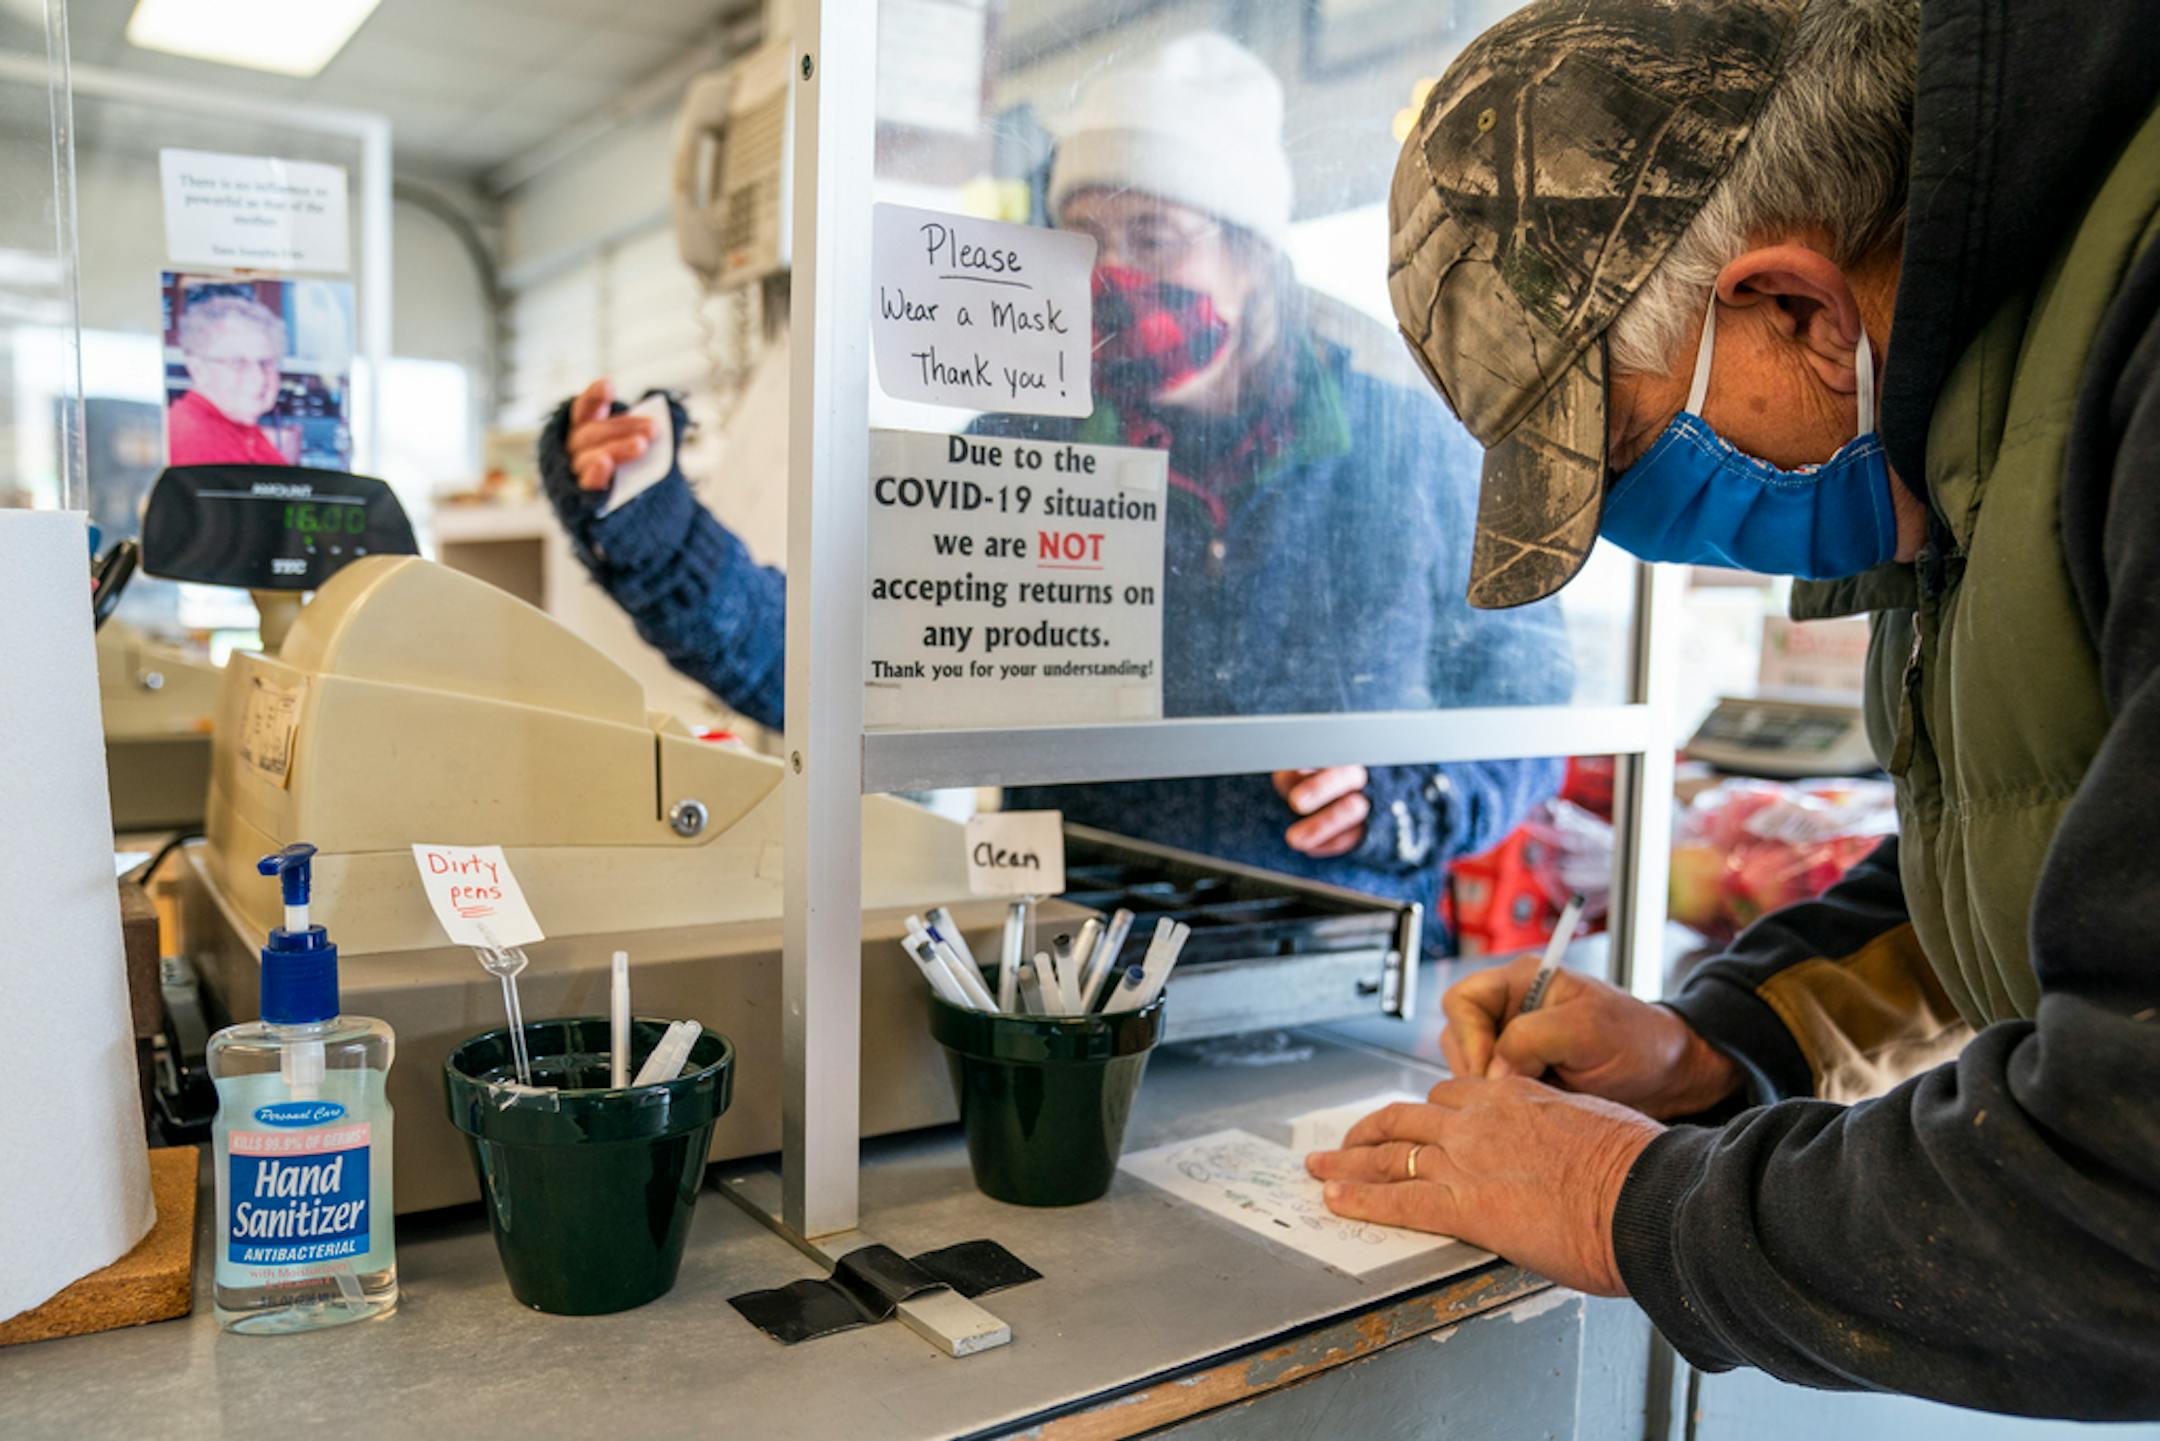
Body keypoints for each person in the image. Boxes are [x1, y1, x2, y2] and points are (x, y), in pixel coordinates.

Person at [1304, 0, 2160, 1417]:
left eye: (1627, 442)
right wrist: (1724, 1047)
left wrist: (1627, 1201)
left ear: (1799, 309)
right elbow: (2061, 843)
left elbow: (2129, 1191)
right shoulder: (1973, 418)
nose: (1650, 524)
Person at [540, 34, 1571, 946]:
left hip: (1343, 963)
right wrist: (652, 522)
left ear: (1255, 257)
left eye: (1154, 238)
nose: (1112, 273)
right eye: (1085, 238)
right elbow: (842, 677)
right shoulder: (1020, 452)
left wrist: (1413, 799)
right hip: (1071, 981)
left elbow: (1532, 704)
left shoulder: (1414, 457)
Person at [166, 292, 289, 467]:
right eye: (237, 362)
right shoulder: (194, 441)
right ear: (198, 370)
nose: (259, 378)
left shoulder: (240, 429)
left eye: (266, 363)